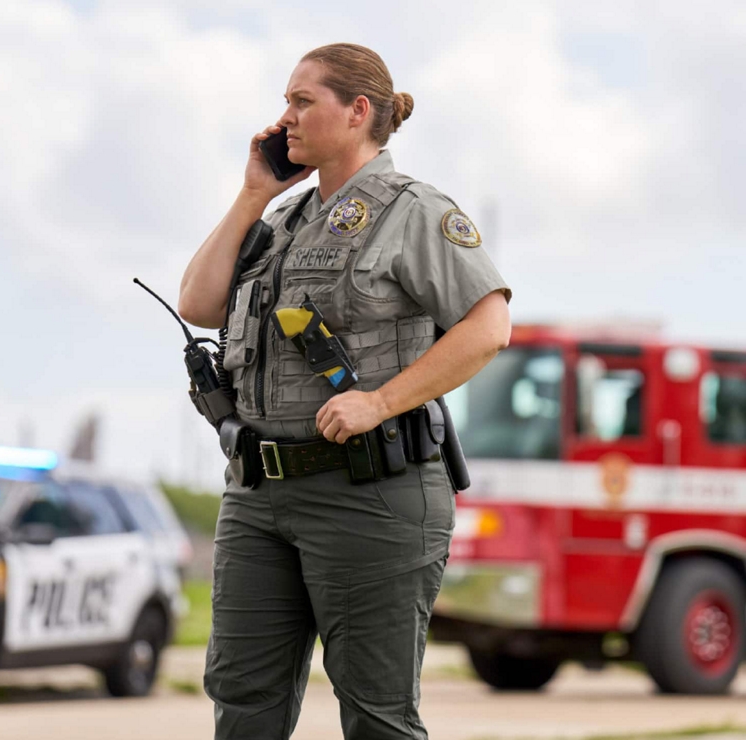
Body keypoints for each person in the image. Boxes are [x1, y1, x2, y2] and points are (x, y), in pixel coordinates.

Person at [177, 43, 512, 740]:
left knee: (376, 717)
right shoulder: (282, 220)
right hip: (258, 495)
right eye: (286, 101)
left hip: (369, 493)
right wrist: (253, 193)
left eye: (302, 101)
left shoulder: (413, 211)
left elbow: (489, 326)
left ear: (359, 112)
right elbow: (199, 303)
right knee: (242, 704)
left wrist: (381, 402)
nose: (284, 119)